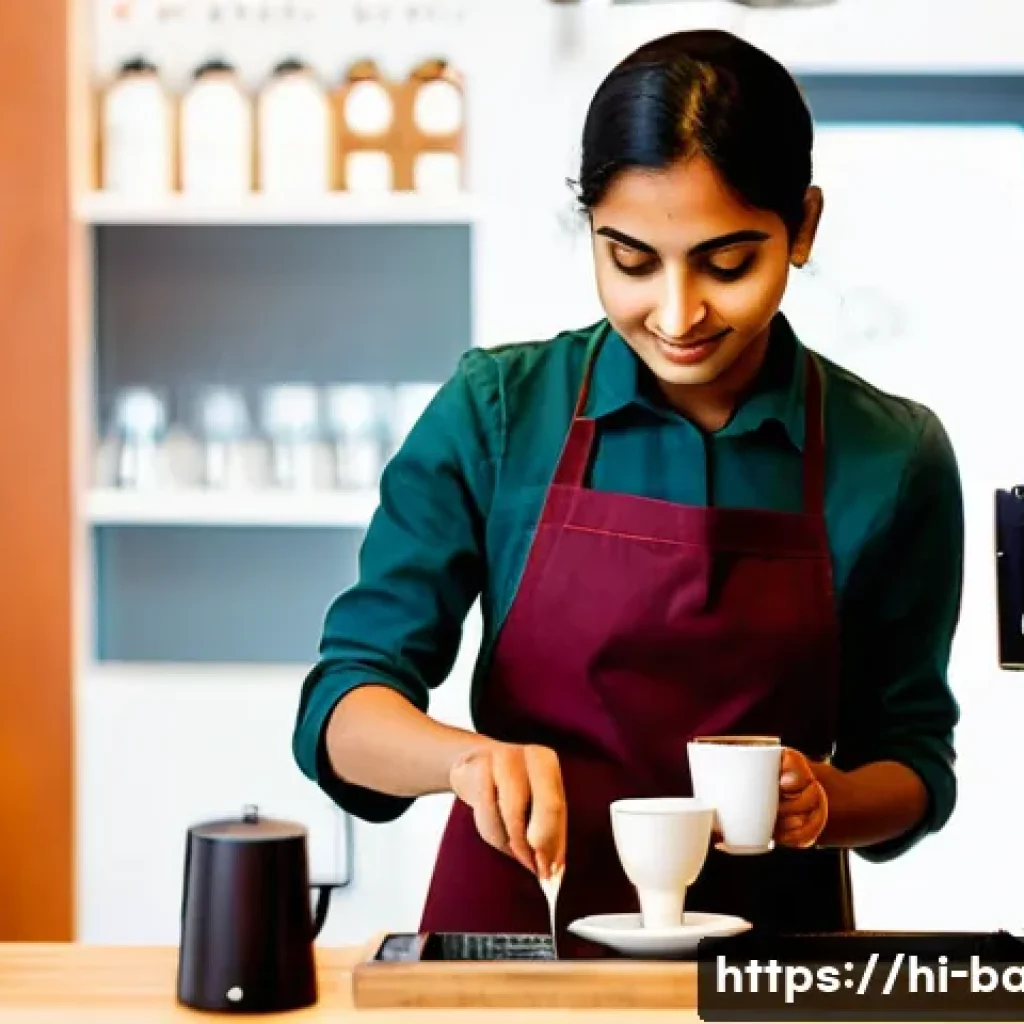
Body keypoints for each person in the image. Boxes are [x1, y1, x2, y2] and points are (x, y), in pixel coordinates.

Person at [292, 29, 963, 954]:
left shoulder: (893, 455)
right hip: (514, 947)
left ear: (802, 228)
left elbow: (916, 760)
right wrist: (466, 760)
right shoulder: (495, 412)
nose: (679, 314)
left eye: (727, 264)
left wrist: (829, 801)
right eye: (633, 261)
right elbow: (344, 703)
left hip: (768, 969)